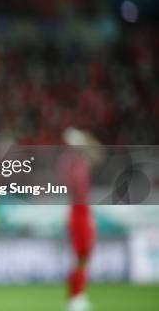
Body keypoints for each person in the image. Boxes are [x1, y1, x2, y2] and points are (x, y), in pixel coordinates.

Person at [60, 127, 101, 311]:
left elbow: (100, 154)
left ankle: (78, 295)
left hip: (83, 210)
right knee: (80, 256)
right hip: (77, 211)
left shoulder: (81, 161)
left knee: (84, 256)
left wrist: (87, 139)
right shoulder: (69, 162)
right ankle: (75, 297)